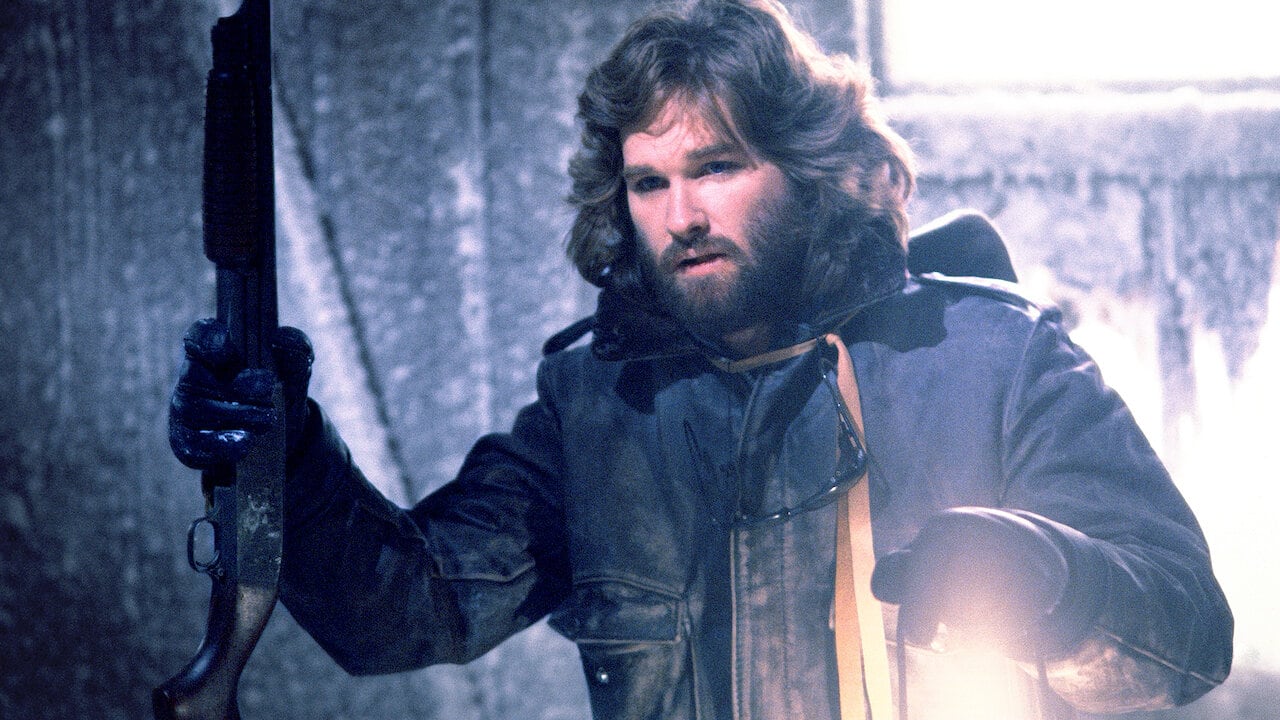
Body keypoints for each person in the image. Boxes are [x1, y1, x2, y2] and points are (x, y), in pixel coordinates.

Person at [169, 1, 1233, 718]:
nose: (680, 215)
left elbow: (1185, 641)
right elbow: (410, 611)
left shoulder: (995, 360)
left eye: (716, 167)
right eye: (648, 183)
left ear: (808, 169)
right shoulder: (599, 403)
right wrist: (282, 457)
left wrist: (1046, 578)